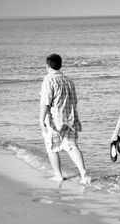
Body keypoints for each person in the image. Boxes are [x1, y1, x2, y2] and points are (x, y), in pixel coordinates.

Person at [39, 54, 91, 185]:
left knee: (52, 148)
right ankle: (83, 173)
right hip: (70, 118)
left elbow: (46, 102)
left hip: (54, 120)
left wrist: (41, 121)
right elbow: (75, 101)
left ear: (47, 66)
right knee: (72, 147)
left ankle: (58, 175)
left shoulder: (48, 81)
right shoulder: (69, 81)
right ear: (60, 65)